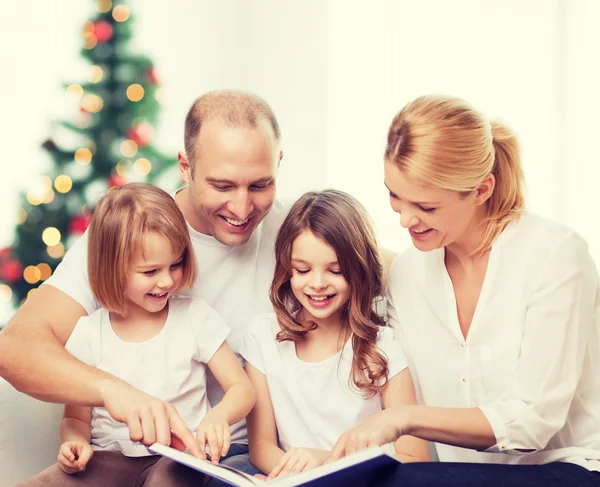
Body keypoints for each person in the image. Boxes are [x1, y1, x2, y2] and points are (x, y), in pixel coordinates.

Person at [0, 90, 288, 476]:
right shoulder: (129, 234)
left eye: (259, 186)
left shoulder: (297, 234)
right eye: (222, 186)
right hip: (116, 454)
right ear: (185, 166)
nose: (241, 208)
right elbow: (15, 349)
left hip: (216, 460)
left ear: (278, 164)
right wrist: (115, 392)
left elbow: (372, 261)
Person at [329, 95, 600, 486]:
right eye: (394, 195)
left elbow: (531, 422)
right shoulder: (407, 272)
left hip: (567, 467)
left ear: (481, 190)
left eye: (425, 205)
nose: (405, 218)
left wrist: (402, 418)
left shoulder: (556, 256)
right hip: (460, 474)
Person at [18, 183, 256, 487]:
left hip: (180, 458)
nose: (167, 280)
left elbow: (242, 388)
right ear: (113, 269)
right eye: (150, 271)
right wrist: (74, 443)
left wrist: (219, 416)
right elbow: (76, 418)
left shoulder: (195, 316)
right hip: (108, 458)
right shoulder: (90, 333)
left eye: (176, 264)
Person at [240, 190, 431, 480]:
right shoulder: (263, 337)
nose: (317, 284)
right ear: (287, 269)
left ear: (359, 270)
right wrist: (290, 477)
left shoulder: (383, 347)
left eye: (336, 270)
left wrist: (326, 464)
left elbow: (414, 457)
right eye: (303, 270)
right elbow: (262, 447)